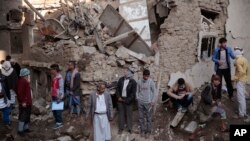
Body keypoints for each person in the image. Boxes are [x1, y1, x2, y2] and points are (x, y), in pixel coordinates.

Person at [189, 75, 228, 141]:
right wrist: (211, 101)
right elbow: (203, 95)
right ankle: (193, 135)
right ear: (214, 80)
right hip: (204, 108)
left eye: (219, 81)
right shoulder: (209, 87)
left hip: (208, 108)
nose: (219, 82)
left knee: (221, 111)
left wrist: (216, 101)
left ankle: (223, 127)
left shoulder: (214, 87)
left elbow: (211, 97)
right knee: (204, 122)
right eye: (218, 81)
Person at [116, 68, 137, 134]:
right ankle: (121, 128)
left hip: (128, 100)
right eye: (125, 71)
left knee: (129, 115)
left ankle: (130, 128)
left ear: (130, 73)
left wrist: (126, 100)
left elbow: (133, 94)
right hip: (120, 99)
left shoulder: (133, 82)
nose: (125, 72)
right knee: (121, 114)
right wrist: (119, 97)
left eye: (127, 71)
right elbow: (117, 89)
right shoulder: (121, 79)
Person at [136, 69, 156, 137]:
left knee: (148, 118)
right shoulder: (139, 82)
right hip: (140, 102)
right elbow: (137, 91)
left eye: (147, 76)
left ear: (149, 76)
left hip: (148, 103)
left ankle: (148, 131)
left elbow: (154, 92)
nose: (146, 77)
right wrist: (137, 98)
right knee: (141, 117)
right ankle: (142, 130)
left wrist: (153, 101)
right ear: (143, 75)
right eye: (145, 76)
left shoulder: (151, 82)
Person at [233, 49, 249, 119]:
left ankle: (241, 114)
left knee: (240, 98)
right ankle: (243, 112)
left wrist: (235, 78)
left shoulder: (238, 61)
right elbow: (248, 69)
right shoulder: (244, 59)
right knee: (242, 97)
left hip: (240, 80)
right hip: (244, 79)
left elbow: (241, 72)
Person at [17, 68, 32, 136]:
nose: (29, 75)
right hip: (24, 103)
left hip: (27, 102)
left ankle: (25, 128)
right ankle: (20, 130)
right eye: (28, 74)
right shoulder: (22, 82)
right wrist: (23, 101)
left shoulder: (25, 81)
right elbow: (20, 93)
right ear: (25, 75)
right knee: (23, 116)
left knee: (27, 115)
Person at [50, 64, 64, 129]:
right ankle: (57, 122)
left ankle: (59, 123)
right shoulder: (54, 78)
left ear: (55, 70)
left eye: (51, 69)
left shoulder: (60, 78)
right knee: (54, 110)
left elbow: (61, 88)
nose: (51, 71)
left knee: (58, 110)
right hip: (54, 96)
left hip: (58, 96)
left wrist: (59, 97)